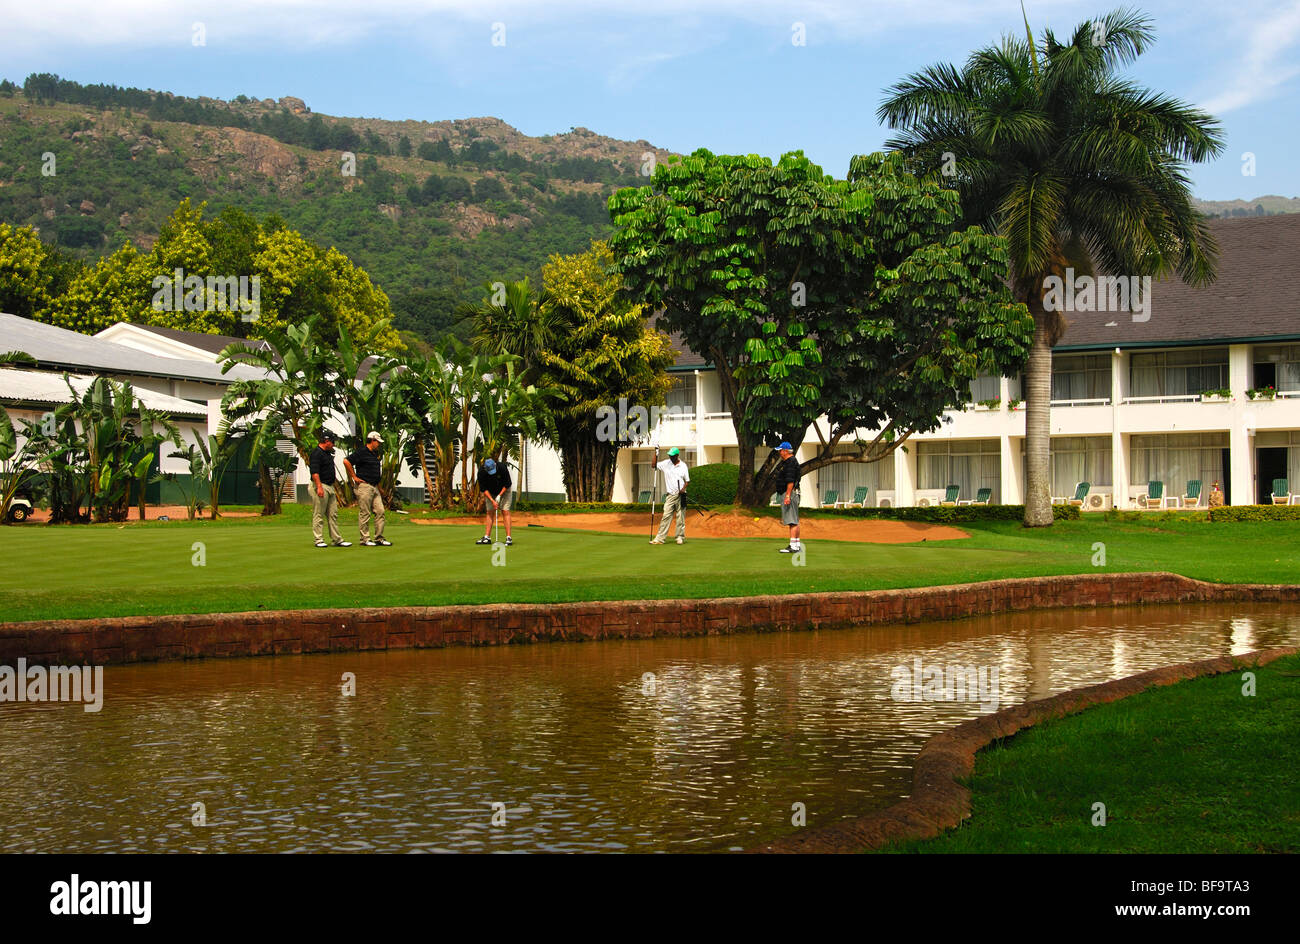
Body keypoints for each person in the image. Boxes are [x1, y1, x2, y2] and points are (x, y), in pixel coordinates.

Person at [344, 431, 391, 546]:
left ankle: (379, 538)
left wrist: (379, 487)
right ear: (372, 441)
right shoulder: (362, 452)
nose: (379, 444)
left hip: (374, 487)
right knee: (365, 513)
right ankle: (365, 539)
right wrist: (354, 476)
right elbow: (346, 461)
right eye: (377, 442)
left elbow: (375, 472)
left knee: (380, 511)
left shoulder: (374, 454)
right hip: (364, 486)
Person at [309, 430, 351, 548]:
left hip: (329, 486)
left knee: (333, 514)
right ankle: (318, 540)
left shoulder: (327, 453)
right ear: (326, 441)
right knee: (319, 514)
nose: (333, 444)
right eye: (332, 442)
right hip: (320, 485)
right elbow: (315, 472)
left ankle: (337, 539)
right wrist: (319, 487)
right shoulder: (316, 453)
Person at [651, 447, 690, 545]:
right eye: (669, 455)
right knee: (666, 516)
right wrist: (655, 453)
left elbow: (687, 481)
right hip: (670, 495)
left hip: (681, 495)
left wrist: (683, 489)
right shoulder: (666, 463)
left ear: (677, 456)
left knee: (680, 517)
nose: (670, 457)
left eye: (672, 456)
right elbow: (653, 465)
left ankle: (679, 537)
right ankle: (660, 538)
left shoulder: (683, 466)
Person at [476, 458, 513, 546]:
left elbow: (507, 484)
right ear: (485, 468)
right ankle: (487, 537)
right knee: (490, 512)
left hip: (504, 490)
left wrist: (499, 496)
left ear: (495, 465)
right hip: (490, 492)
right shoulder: (481, 472)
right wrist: (493, 500)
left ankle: (508, 538)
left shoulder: (502, 467)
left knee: (505, 511)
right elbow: (483, 489)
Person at [775, 441, 802, 553]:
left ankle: (793, 546)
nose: (780, 453)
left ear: (785, 451)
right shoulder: (789, 462)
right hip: (791, 493)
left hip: (789, 493)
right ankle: (796, 544)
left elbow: (790, 481)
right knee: (794, 520)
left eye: (780, 451)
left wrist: (787, 496)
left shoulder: (790, 463)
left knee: (792, 521)